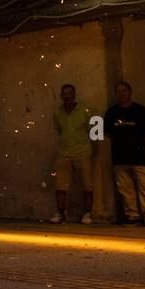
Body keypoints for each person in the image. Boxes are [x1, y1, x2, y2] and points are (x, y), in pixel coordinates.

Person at [104, 81, 145, 227]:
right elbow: (107, 132)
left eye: (124, 91)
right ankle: (132, 214)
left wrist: (138, 143)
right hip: (120, 157)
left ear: (130, 92)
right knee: (125, 188)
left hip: (139, 156)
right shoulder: (111, 112)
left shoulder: (140, 110)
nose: (121, 94)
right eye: (118, 91)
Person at [50, 84, 93, 224]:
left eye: (69, 93)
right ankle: (61, 213)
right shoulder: (57, 113)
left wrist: (90, 150)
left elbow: (95, 133)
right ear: (61, 96)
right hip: (64, 153)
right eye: (64, 94)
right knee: (60, 185)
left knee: (87, 184)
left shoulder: (85, 111)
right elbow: (59, 130)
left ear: (74, 95)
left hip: (83, 152)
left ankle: (88, 213)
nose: (67, 96)